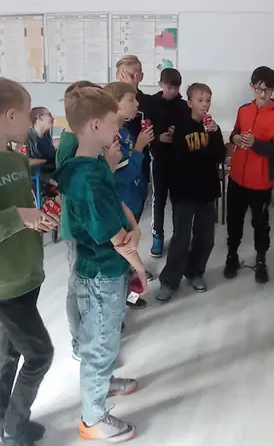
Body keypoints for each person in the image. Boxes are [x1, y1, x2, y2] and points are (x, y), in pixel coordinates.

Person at [55, 87, 148, 442]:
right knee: (101, 344)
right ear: (95, 125)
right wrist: (140, 267)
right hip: (101, 273)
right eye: (113, 123)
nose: (117, 130)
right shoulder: (86, 177)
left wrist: (135, 229)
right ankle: (92, 418)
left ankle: (103, 382)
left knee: (104, 338)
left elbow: (118, 206)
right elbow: (118, 238)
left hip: (106, 269)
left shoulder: (93, 165)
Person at [0, 78, 58, 446]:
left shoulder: (17, 158)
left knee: (8, 354)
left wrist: (37, 216)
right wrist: (22, 216)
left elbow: (25, 211)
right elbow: (16, 215)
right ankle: (13, 428)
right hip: (5, 284)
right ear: (10, 115)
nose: (31, 119)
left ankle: (4, 417)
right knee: (40, 355)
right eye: (26, 113)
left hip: (27, 273)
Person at [56, 81, 122, 361]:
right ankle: (82, 344)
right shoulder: (72, 146)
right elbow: (82, 192)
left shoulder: (87, 150)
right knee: (79, 287)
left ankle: (94, 339)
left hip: (93, 232)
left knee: (90, 291)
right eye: (112, 122)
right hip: (81, 233)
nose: (116, 128)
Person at [156, 83, 225, 303]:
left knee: (206, 237)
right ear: (190, 103)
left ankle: (195, 272)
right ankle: (169, 281)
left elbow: (219, 156)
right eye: (200, 100)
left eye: (208, 100)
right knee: (181, 238)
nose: (205, 104)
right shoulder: (181, 127)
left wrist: (214, 134)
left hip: (207, 190)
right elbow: (179, 159)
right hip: (184, 192)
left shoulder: (212, 128)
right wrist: (204, 156)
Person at [223, 66, 274, 284]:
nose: (263, 94)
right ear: (251, 87)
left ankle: (261, 260)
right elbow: (235, 132)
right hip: (237, 177)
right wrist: (235, 139)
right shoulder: (243, 110)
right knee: (234, 220)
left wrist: (256, 144)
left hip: (261, 181)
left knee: (260, 224)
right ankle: (232, 256)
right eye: (259, 89)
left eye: (267, 90)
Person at [104, 81, 156, 309]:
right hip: (121, 203)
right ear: (115, 104)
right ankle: (117, 308)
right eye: (131, 100)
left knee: (129, 252)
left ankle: (130, 294)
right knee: (121, 254)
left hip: (133, 199)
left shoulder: (124, 131)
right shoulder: (109, 137)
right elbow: (122, 175)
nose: (136, 104)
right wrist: (140, 147)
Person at [148, 68, 190, 257]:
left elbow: (188, 130)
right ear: (161, 84)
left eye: (176, 88)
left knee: (178, 201)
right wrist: (158, 138)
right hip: (159, 159)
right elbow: (145, 130)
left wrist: (177, 136)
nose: (173, 91)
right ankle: (157, 235)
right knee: (158, 200)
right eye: (169, 87)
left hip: (179, 161)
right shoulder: (151, 104)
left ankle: (177, 237)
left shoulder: (184, 106)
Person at [116, 55, 153, 215]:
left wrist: (131, 91)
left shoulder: (145, 101)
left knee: (136, 206)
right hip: (121, 173)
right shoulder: (107, 101)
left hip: (140, 165)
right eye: (123, 75)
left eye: (132, 75)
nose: (127, 80)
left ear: (140, 77)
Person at [26, 107, 56, 182]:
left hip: (53, 174)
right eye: (49, 115)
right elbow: (24, 162)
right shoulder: (25, 138)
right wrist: (46, 161)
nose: (53, 118)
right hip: (38, 180)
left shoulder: (47, 136)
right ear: (40, 117)